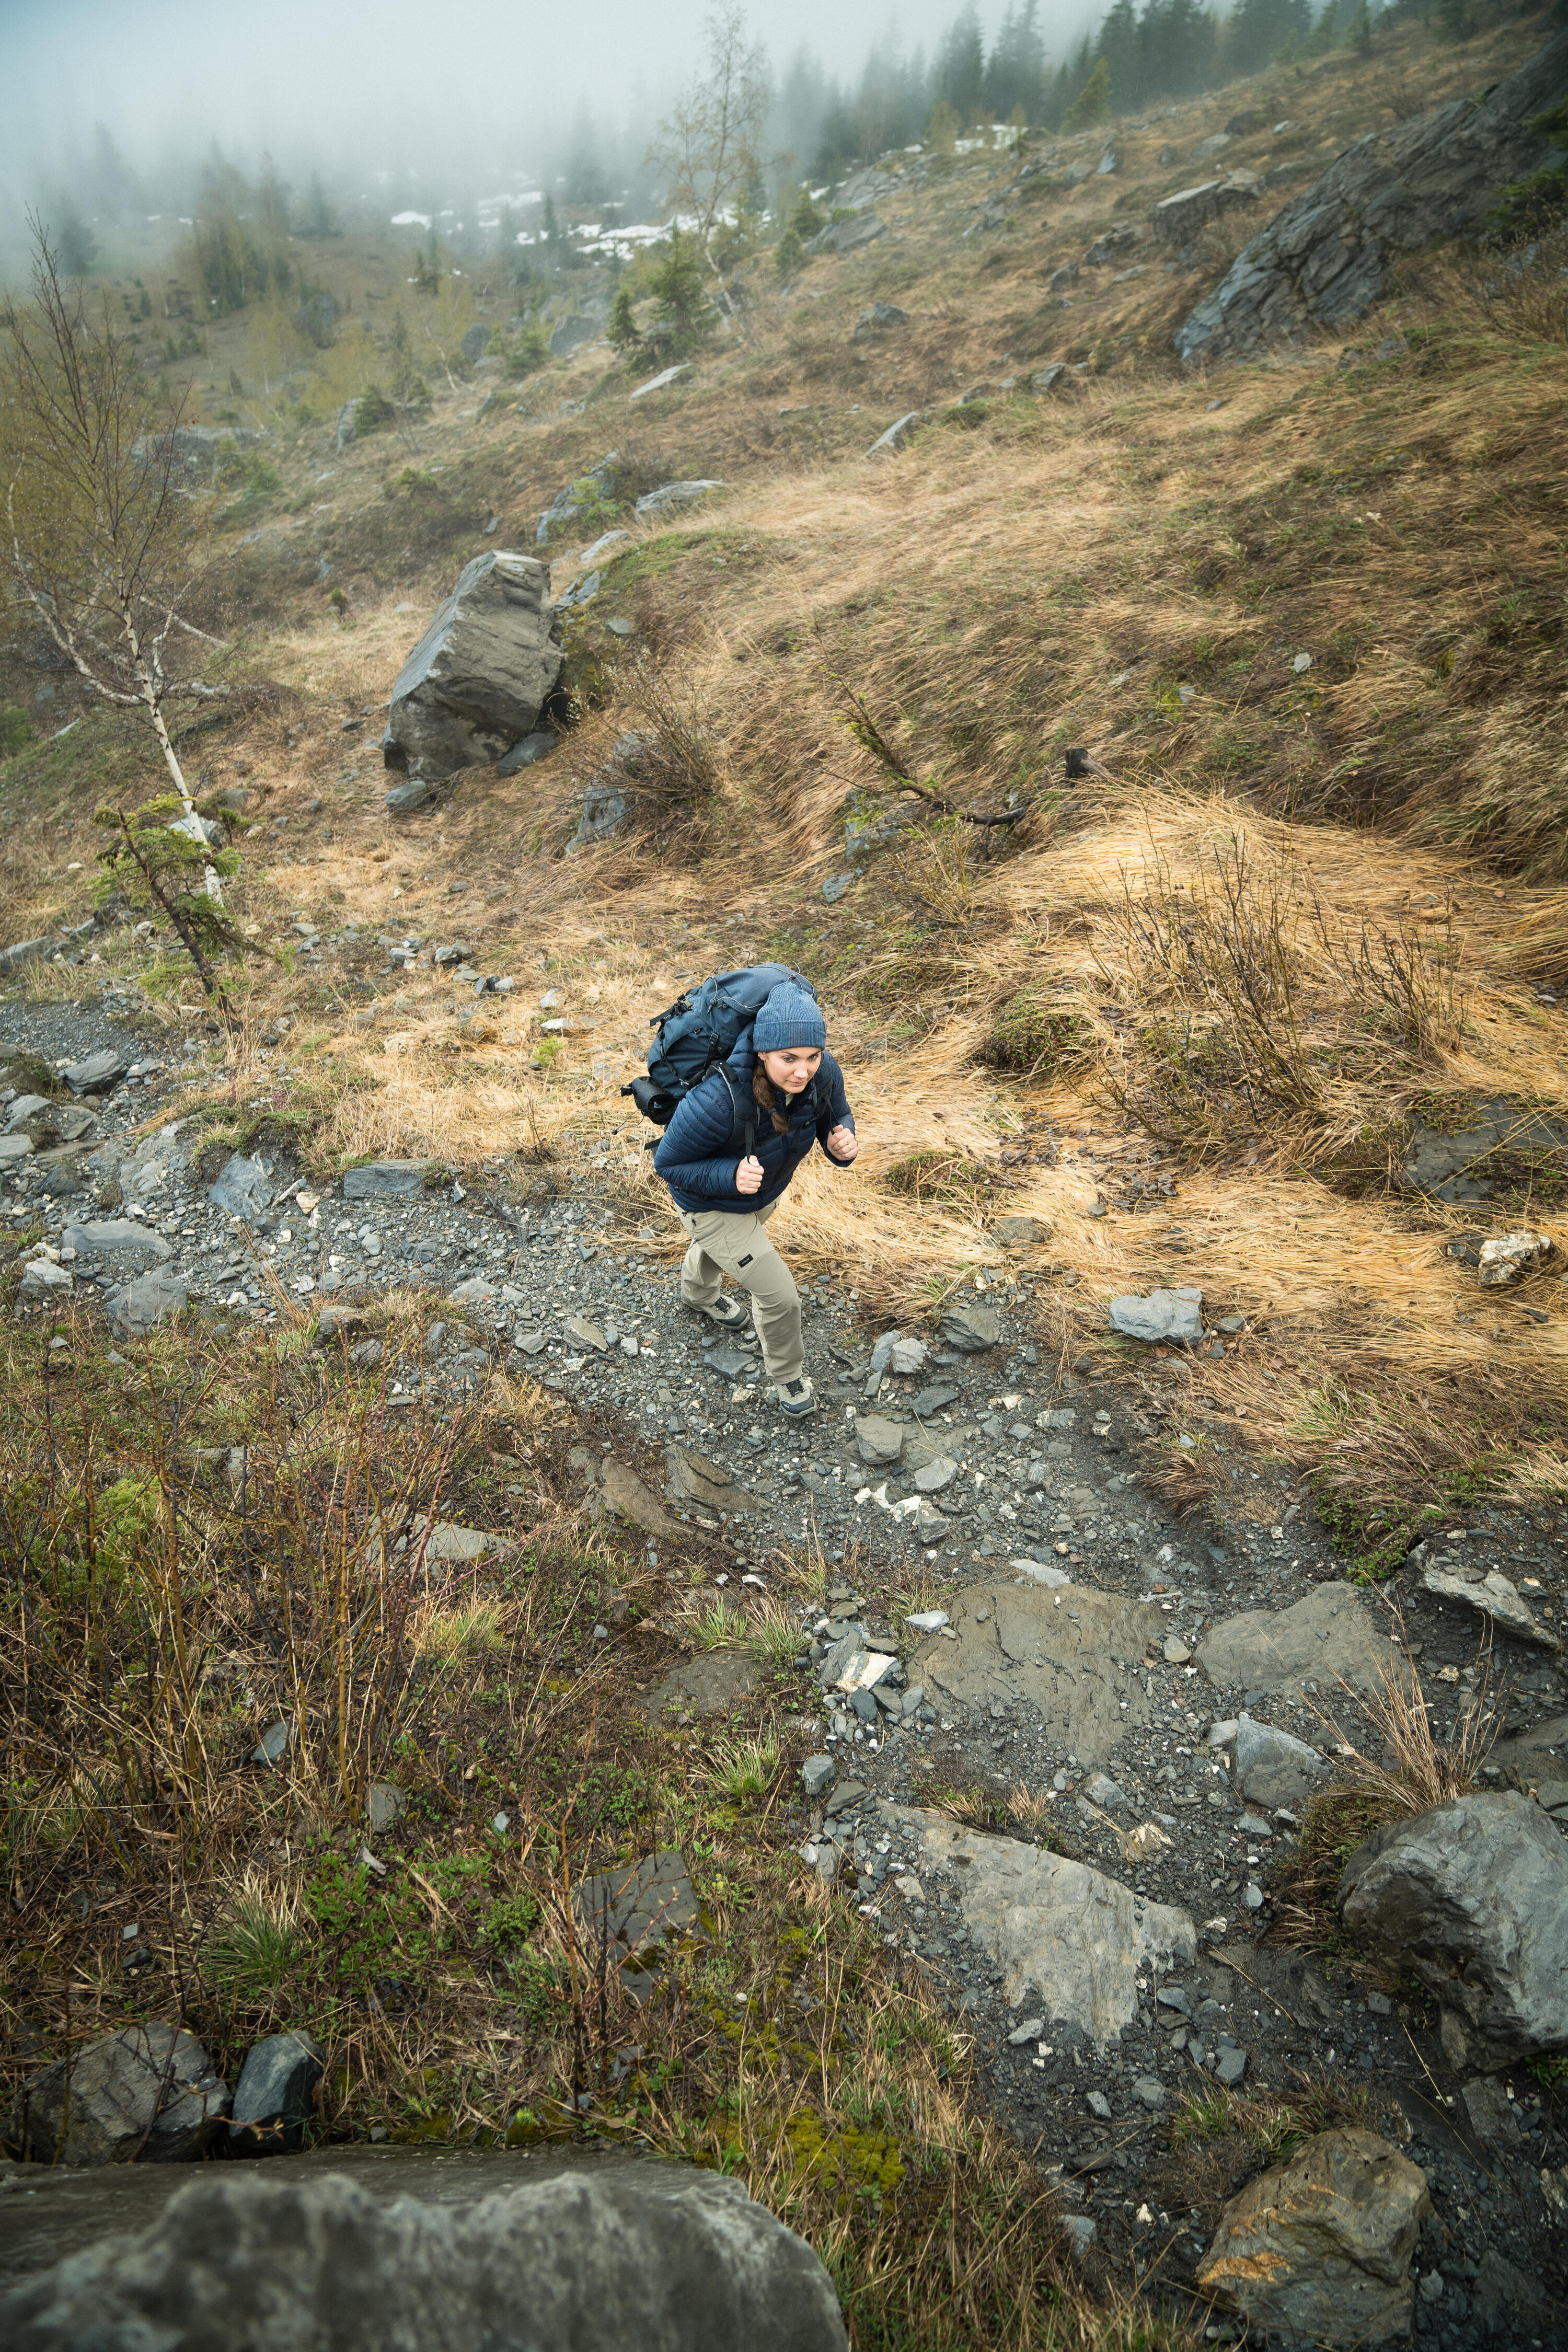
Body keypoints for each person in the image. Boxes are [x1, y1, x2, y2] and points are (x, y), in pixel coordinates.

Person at [653, 979, 857, 1419]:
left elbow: (834, 1112)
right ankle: (787, 1377)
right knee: (780, 1295)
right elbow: (668, 1165)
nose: (802, 1071)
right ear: (763, 1053)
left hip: (763, 1194)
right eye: (789, 1059)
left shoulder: (824, 1072)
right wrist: (729, 1175)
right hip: (707, 1203)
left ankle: (697, 1294)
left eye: (811, 1056)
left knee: (732, 1248)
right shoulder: (716, 1100)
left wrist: (842, 1141)